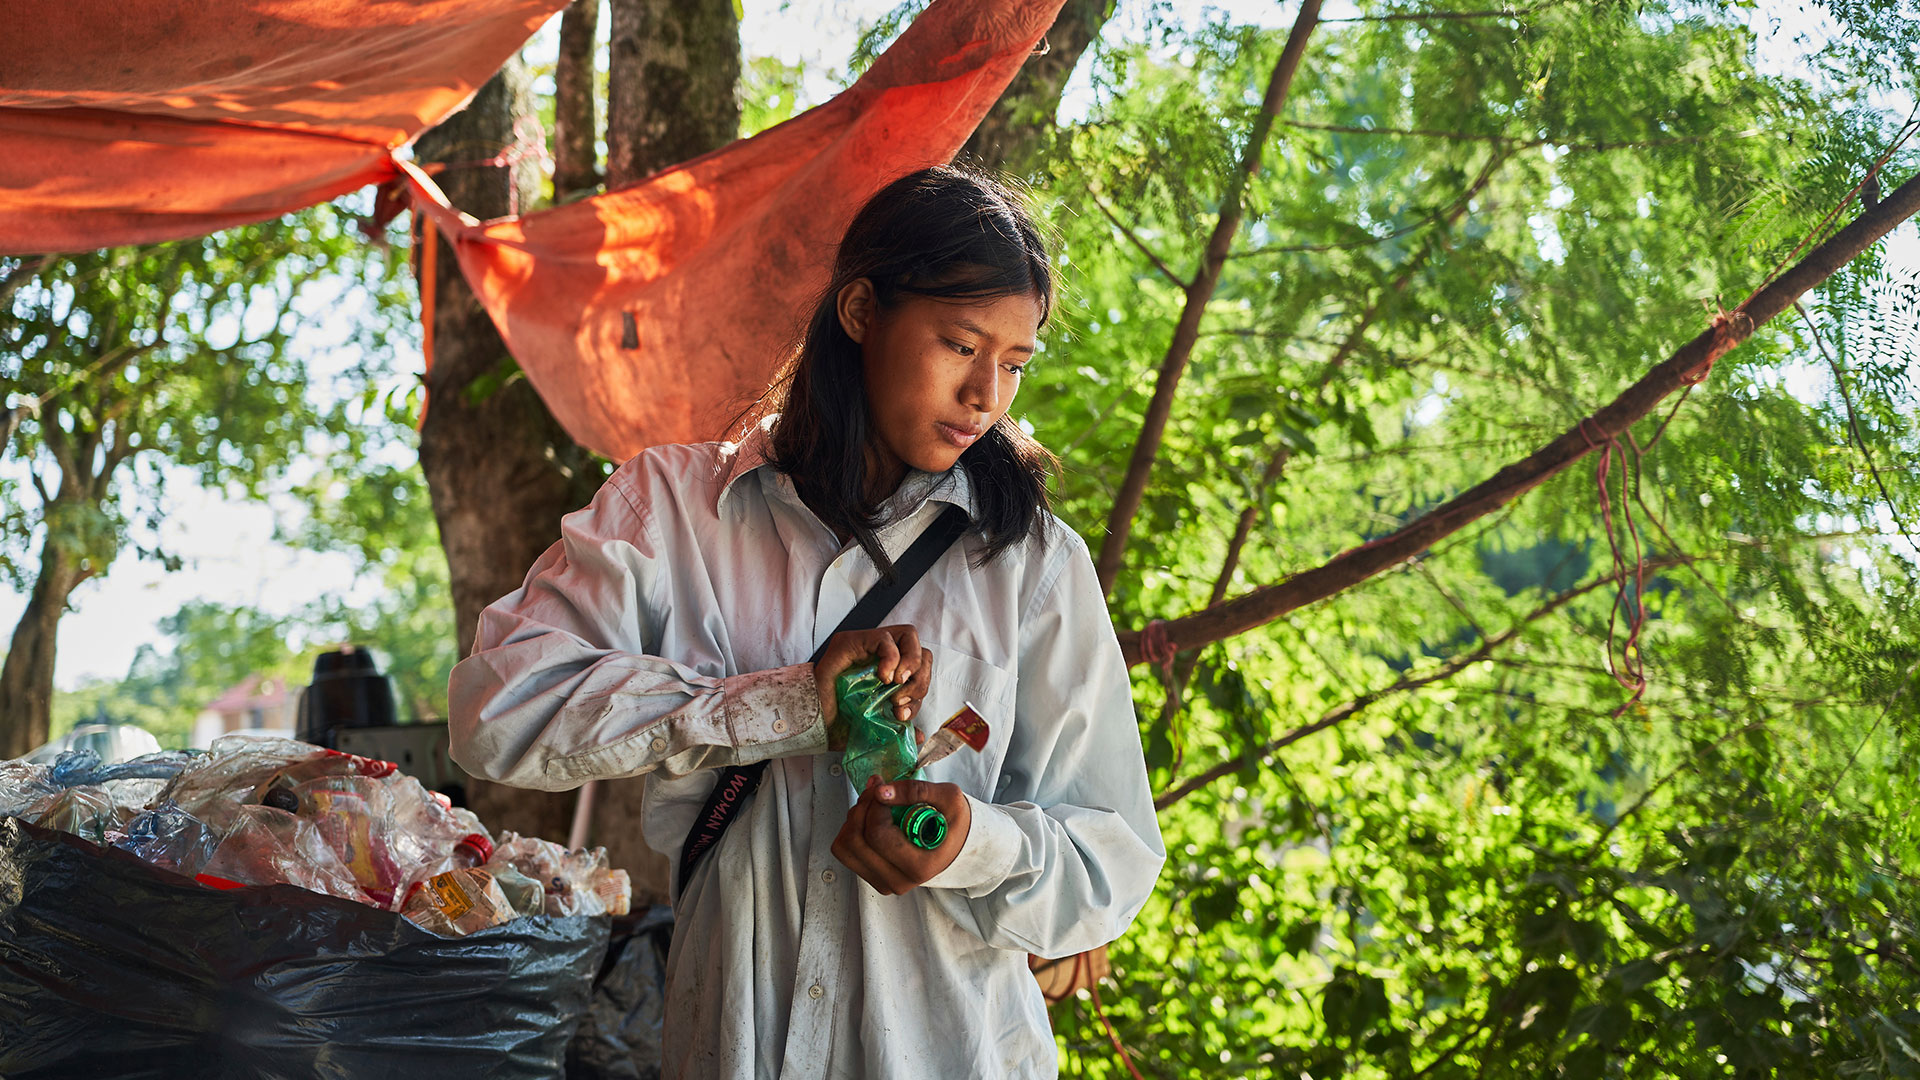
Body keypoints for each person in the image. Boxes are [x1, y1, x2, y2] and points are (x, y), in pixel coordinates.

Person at [448, 166, 1164, 1079]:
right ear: (861, 311)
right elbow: (495, 711)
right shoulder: (673, 513)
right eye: (959, 344)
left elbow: (1109, 862)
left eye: (1015, 364)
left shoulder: (1030, 564)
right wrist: (779, 704)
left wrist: (974, 844)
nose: (988, 395)